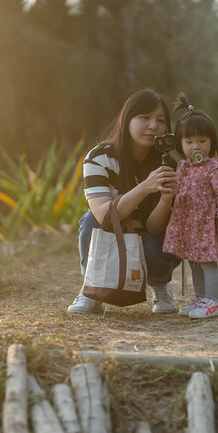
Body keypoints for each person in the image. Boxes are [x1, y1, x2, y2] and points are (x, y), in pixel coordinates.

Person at [67, 89, 181, 314]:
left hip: (148, 235)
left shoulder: (168, 164)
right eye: (145, 117)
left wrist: (166, 199)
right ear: (127, 119)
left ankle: (160, 284)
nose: (153, 126)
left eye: (160, 120)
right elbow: (104, 215)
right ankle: (92, 289)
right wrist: (145, 187)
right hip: (113, 230)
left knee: (170, 224)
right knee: (90, 220)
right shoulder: (99, 157)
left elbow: (155, 228)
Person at [162, 93, 218, 319]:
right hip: (189, 225)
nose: (196, 146)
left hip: (207, 224)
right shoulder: (183, 168)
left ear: (211, 142)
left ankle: (213, 300)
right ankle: (200, 297)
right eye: (189, 142)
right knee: (194, 262)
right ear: (180, 144)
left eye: (202, 141)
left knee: (207, 262)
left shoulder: (214, 168)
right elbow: (177, 191)